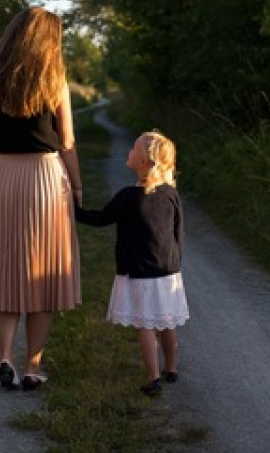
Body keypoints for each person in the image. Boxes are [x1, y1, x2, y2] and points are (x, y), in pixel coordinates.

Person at [0, 6, 83, 391]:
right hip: (46, 177)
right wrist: (77, 187)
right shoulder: (54, 81)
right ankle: (32, 366)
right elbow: (66, 143)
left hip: (3, 176)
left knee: (7, 274)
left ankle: (4, 358)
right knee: (42, 276)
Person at [74, 130, 188, 397]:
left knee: (145, 325)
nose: (129, 151)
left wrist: (72, 209)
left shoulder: (127, 197)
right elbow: (178, 232)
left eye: (134, 148)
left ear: (145, 162)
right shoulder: (171, 194)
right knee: (167, 321)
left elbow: (101, 218)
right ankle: (171, 369)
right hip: (168, 272)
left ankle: (153, 378)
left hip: (139, 272)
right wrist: (175, 262)